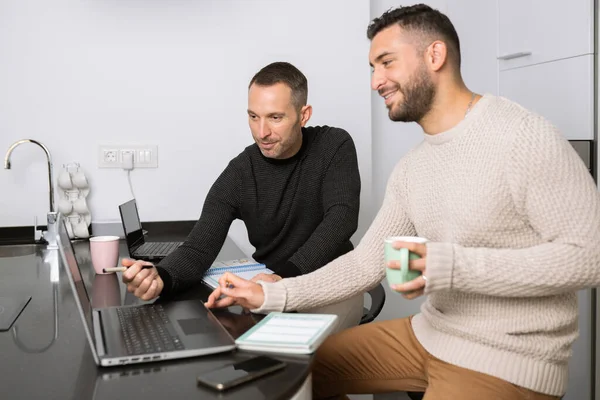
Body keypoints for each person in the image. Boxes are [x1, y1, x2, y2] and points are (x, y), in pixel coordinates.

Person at [205, 4, 600, 399]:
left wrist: (450, 265)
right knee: (284, 374)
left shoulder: (521, 136)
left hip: (505, 358)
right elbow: (365, 263)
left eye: (387, 62)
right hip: (429, 335)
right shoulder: (414, 167)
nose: (376, 81)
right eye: (373, 68)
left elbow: (590, 256)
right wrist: (271, 293)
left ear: (434, 55)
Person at [122, 61, 364, 330]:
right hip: (270, 291)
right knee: (243, 351)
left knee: (299, 362)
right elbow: (199, 247)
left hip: (328, 285)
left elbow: (342, 219)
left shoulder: (334, 145)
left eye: (275, 118)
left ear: (303, 115)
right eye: (253, 116)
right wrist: (160, 277)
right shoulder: (241, 171)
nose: (262, 133)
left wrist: (282, 278)